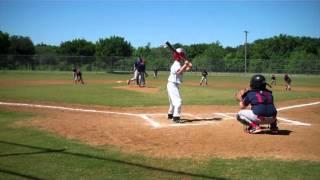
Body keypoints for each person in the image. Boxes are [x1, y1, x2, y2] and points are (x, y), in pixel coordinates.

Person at [167, 47, 192, 123]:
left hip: (173, 84)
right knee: (178, 101)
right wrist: (185, 64)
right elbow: (179, 72)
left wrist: (189, 67)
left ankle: (170, 114)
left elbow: (183, 70)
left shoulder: (178, 64)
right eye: (182, 55)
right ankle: (176, 117)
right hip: (172, 84)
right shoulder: (176, 64)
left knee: (172, 102)